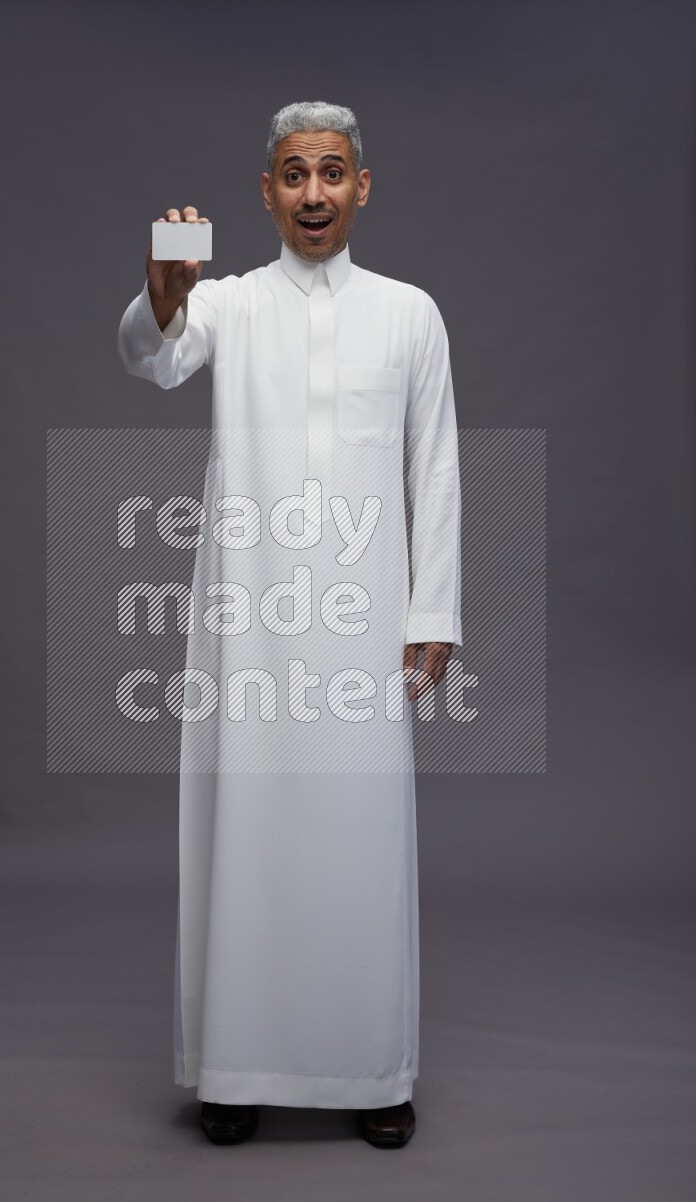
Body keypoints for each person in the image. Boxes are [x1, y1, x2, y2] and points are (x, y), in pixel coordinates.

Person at [117, 101, 462, 1148]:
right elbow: (155, 357)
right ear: (265, 192)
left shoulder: (410, 312)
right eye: (292, 174)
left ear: (362, 187)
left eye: (331, 173)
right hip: (251, 614)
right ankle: (234, 1064)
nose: (312, 192)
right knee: (248, 829)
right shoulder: (228, 304)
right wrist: (160, 297)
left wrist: (433, 606)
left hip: (362, 620)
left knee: (361, 838)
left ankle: (372, 1069)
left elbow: (434, 463)